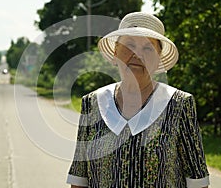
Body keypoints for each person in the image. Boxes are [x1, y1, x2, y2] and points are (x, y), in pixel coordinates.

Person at [66, 12, 210, 188]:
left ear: (158, 59)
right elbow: (79, 178)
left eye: (148, 48)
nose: (137, 54)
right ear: (115, 52)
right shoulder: (92, 103)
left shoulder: (179, 104)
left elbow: (197, 181)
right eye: (129, 45)